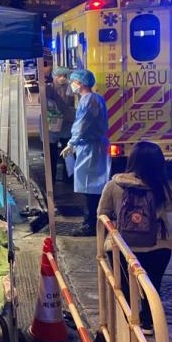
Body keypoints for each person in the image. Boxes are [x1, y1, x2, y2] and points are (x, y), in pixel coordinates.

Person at [97, 141, 172, 335]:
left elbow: (102, 213)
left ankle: (128, 325)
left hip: (124, 247)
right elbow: (170, 206)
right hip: (159, 247)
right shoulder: (159, 185)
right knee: (152, 286)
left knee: (124, 287)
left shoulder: (114, 184)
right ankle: (149, 323)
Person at [61, 69, 110, 236]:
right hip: (93, 147)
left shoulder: (88, 101)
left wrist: (71, 143)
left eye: (73, 81)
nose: (71, 84)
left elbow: (82, 124)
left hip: (90, 149)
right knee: (92, 187)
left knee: (90, 188)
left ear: (80, 83)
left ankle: (90, 225)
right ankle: (92, 221)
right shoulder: (96, 98)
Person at [43, 67, 76, 182]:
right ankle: (51, 177)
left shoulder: (70, 88)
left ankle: (69, 176)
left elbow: (71, 104)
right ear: (54, 76)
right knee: (52, 152)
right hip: (53, 124)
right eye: (59, 76)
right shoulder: (48, 88)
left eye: (65, 76)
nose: (62, 78)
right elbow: (42, 102)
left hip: (66, 124)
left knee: (67, 151)